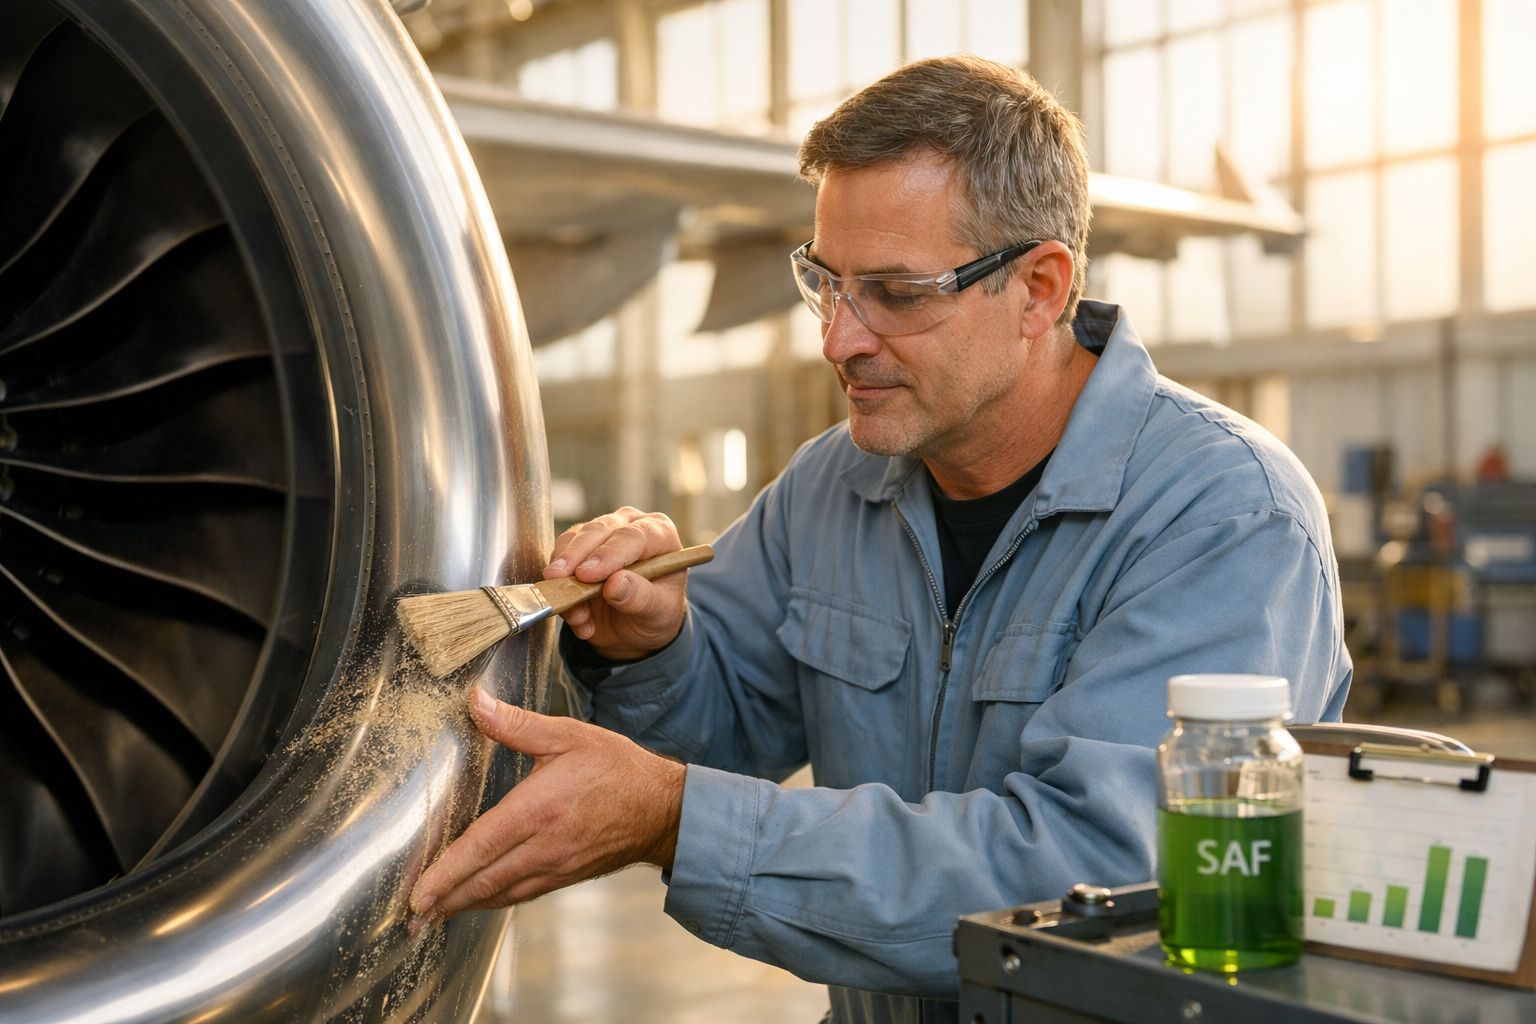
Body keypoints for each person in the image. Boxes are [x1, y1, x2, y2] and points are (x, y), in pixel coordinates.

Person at [411, 55, 1352, 1023]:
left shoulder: (1226, 516)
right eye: (826, 283)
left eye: (896, 294)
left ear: (1039, 288)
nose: (838, 339)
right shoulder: (832, 487)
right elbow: (713, 730)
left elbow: (1092, 875)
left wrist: (676, 817)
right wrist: (652, 647)